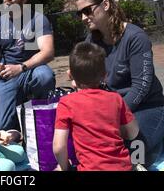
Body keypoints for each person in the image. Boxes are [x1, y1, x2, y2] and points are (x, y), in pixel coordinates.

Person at [73, 0, 164, 167]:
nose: (84, 18)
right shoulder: (92, 40)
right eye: (80, 13)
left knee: (135, 156)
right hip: (112, 108)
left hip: (146, 106)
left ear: (106, 5)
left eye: (87, 10)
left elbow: (141, 87)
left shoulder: (135, 37)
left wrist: (110, 116)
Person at [0, 0, 55, 132]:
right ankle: (20, 119)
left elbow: (48, 52)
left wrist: (21, 67)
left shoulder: (38, 19)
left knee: (45, 76)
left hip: (33, 70)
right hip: (9, 76)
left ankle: (42, 117)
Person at [53, 42, 140, 171]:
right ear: (105, 76)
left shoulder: (67, 103)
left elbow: (58, 146)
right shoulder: (115, 98)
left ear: (69, 74)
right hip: (123, 167)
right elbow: (133, 133)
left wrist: (64, 167)